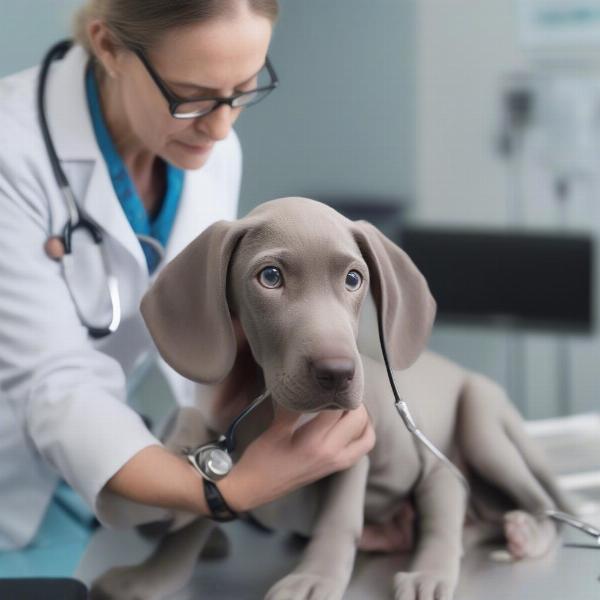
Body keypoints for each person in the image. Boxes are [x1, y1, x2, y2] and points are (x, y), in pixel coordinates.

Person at [0, 0, 375, 559]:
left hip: (113, 471)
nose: (221, 126)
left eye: (244, 89)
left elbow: (201, 329)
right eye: (191, 96)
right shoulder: (13, 150)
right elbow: (53, 381)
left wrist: (285, 496)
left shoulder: (211, 146)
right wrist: (225, 492)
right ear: (108, 46)